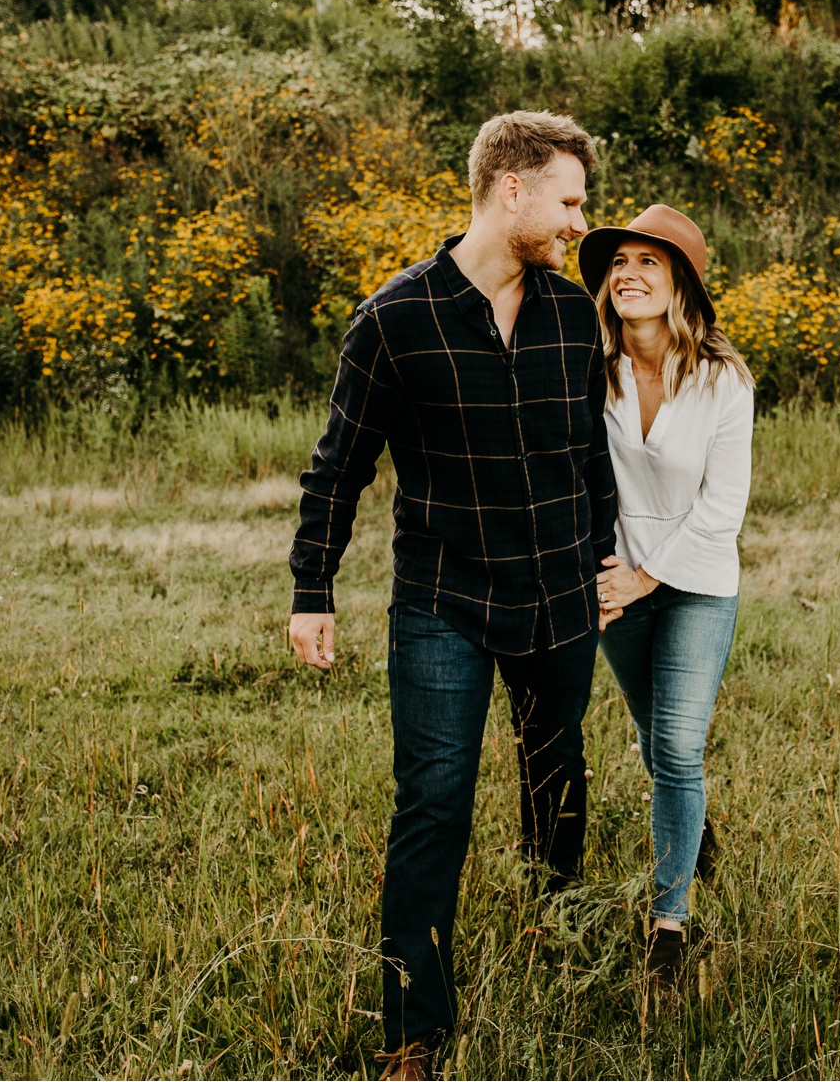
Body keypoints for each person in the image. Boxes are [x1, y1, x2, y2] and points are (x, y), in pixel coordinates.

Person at [288, 111, 616, 1081]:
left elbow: (590, 457)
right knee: (432, 802)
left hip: (559, 595)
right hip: (443, 600)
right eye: (567, 201)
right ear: (508, 190)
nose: (577, 222)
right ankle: (411, 1031)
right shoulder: (394, 320)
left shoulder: (571, 314)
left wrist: (605, 559)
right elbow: (336, 467)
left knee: (557, 774)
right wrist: (314, 588)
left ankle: (557, 917)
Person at [577, 204, 753, 991]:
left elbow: (723, 507)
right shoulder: (592, 370)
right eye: (619, 263)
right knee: (655, 745)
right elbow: (578, 480)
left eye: (649, 262)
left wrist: (650, 574)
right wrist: (601, 572)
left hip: (697, 584)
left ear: (679, 283)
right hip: (618, 584)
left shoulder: (723, 381)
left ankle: (667, 928)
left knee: (677, 749)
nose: (629, 273)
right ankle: (696, 826)